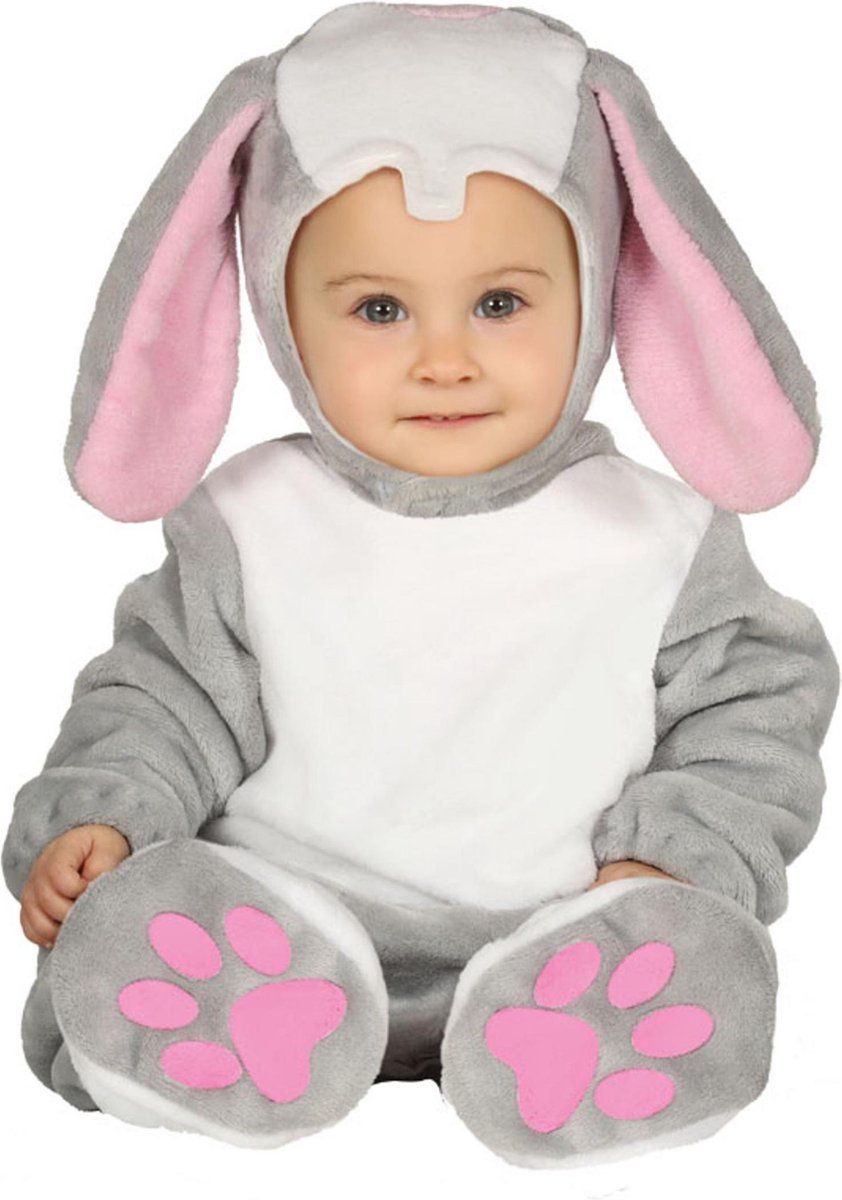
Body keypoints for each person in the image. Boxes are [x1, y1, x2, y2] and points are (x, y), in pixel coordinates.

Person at [3, 3, 837, 1168]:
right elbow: (162, 702)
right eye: (379, 309)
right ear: (277, 302)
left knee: (650, 954)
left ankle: (593, 1017)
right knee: (135, 938)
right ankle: (219, 1005)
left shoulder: (659, 538)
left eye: (499, 303)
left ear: (602, 283)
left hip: (563, 936)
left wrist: (673, 860)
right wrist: (106, 814)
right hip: (276, 919)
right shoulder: (247, 524)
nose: (443, 359)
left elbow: (751, 718)